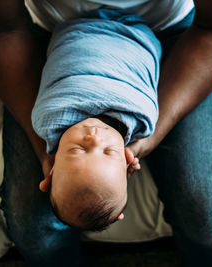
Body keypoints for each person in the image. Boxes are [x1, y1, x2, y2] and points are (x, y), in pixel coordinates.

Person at [0, 0, 212, 266]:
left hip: (175, 35)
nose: (93, 139)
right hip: (59, 37)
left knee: (205, 217)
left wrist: (150, 133)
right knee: (33, 227)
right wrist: (48, 151)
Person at [32, 9, 161, 231]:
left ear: (51, 169)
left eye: (77, 150)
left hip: (74, 30)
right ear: (128, 161)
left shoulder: (47, 118)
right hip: (136, 36)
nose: (93, 139)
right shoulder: (140, 119)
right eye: (109, 152)